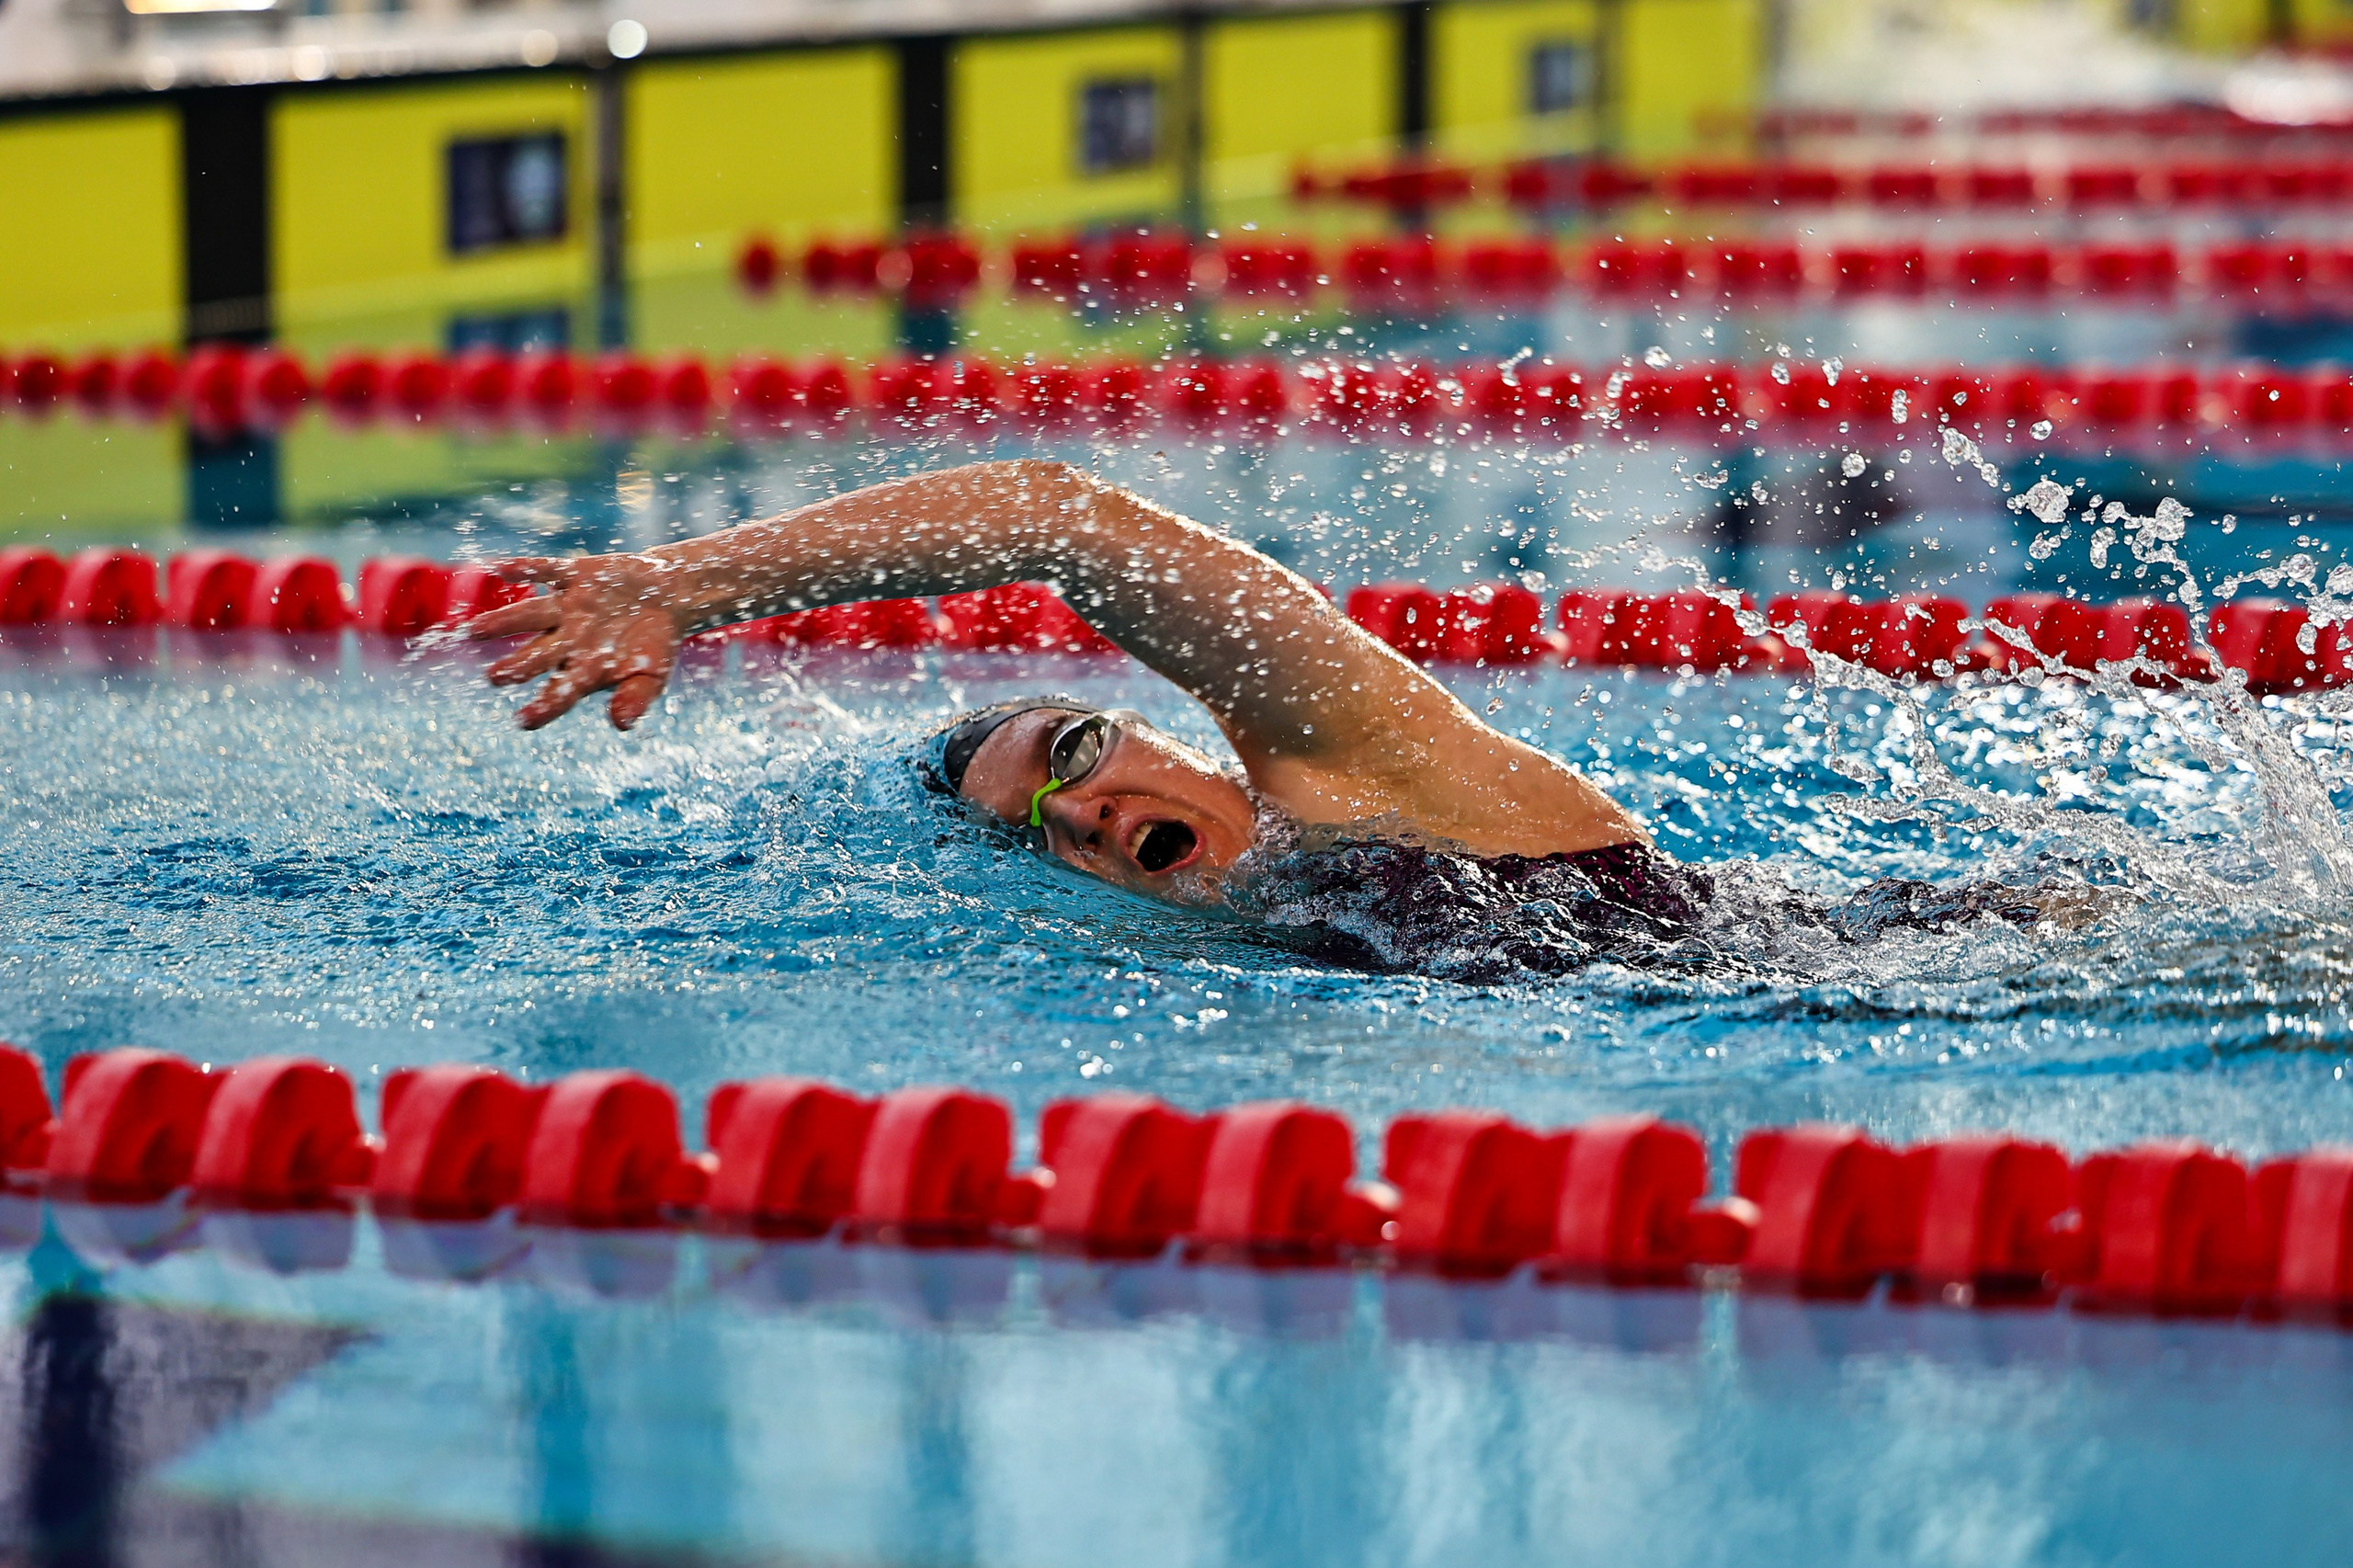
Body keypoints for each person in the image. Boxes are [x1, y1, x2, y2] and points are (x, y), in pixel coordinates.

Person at [467, 460, 2076, 977]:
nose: (1084, 815)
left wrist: (688, 583)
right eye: (1049, 829)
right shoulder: (1237, 940)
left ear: (1158, 735)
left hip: (1932, 954)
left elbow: (1054, 516)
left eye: (1076, 758)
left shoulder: (1340, 762)